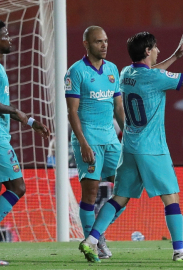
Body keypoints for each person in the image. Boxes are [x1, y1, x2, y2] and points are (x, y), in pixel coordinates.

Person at [79, 26, 183, 263]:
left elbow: (151, 73)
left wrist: (174, 57)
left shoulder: (125, 73)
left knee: (119, 198)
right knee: (171, 197)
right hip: (152, 148)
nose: (159, 51)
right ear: (148, 50)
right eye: (156, 48)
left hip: (129, 146)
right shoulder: (153, 77)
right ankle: (180, 251)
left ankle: (90, 240)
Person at [0, 20, 50, 266]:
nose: (9, 38)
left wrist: (31, 121)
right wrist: (16, 110)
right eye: (5, 35)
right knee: (17, 187)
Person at [65, 26, 126, 259]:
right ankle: (93, 242)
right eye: (99, 41)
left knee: (125, 188)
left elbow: (118, 107)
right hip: (88, 139)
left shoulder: (112, 70)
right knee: (90, 195)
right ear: (86, 44)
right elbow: (72, 111)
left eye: (106, 41)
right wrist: (82, 143)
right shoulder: (76, 72)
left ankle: (97, 233)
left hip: (111, 139)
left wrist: (128, 135)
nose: (104, 45)